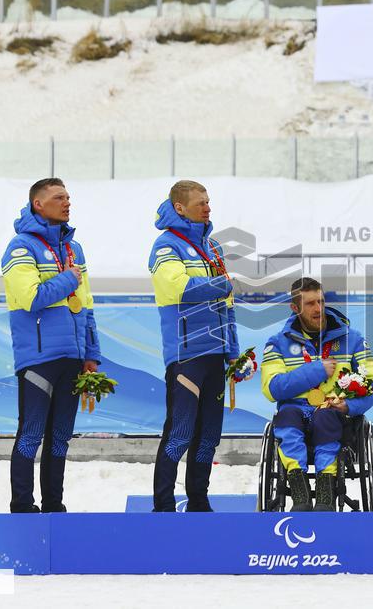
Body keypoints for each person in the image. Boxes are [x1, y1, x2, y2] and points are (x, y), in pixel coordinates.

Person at [2, 178, 102, 513]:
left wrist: (91, 354)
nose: (67, 202)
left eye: (69, 197)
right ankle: (21, 505)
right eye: (59, 197)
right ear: (38, 204)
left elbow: (86, 307)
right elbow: (30, 298)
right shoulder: (20, 247)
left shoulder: (75, 249)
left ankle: (54, 505)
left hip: (73, 357)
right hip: (39, 357)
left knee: (60, 438)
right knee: (31, 433)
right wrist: (68, 278)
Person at [149, 180, 240, 512]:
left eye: (209, 201)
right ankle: (163, 505)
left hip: (216, 353)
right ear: (179, 207)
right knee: (180, 432)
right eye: (201, 202)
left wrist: (233, 351)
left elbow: (227, 303)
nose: (208, 207)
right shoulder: (165, 246)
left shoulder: (212, 247)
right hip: (186, 354)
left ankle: (199, 501)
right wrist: (220, 283)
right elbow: (178, 287)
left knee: (209, 436)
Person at [261, 278, 373, 511]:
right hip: (295, 412)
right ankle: (299, 491)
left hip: (334, 415)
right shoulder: (277, 343)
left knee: (325, 417)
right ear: (295, 308)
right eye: (309, 304)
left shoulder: (353, 339)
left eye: (321, 301)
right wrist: (316, 370)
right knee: (286, 416)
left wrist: (349, 405)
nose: (318, 309)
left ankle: (326, 492)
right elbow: (272, 388)